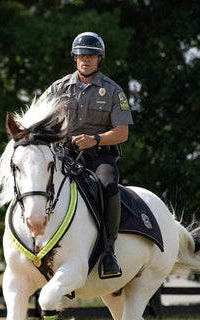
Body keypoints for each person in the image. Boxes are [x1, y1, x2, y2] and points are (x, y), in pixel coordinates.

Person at [42, 32, 133, 278]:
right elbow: (41, 120)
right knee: (38, 184)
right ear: (74, 58)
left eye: (91, 56)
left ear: (99, 59)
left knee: (108, 185)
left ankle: (109, 252)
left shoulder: (113, 91)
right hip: (65, 155)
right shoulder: (57, 88)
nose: (86, 60)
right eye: (82, 55)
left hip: (98, 155)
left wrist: (95, 139)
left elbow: (122, 133)